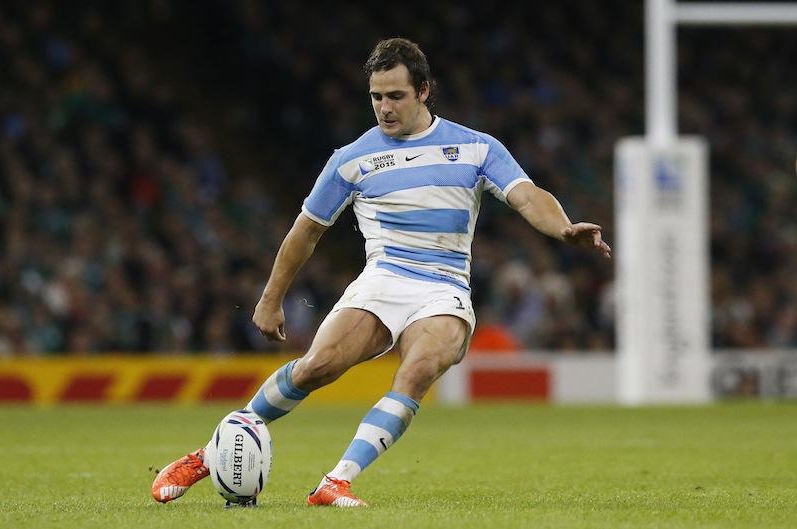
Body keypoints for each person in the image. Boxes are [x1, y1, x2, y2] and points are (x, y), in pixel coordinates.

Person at [151, 37, 611, 508]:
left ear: (424, 91)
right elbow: (305, 231)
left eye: (396, 96)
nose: (384, 108)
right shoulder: (352, 158)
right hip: (383, 281)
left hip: (444, 288)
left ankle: (336, 482)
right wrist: (271, 298)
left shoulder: (475, 148)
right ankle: (210, 454)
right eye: (376, 97)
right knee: (317, 367)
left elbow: (527, 195)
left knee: (418, 370)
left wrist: (563, 228)